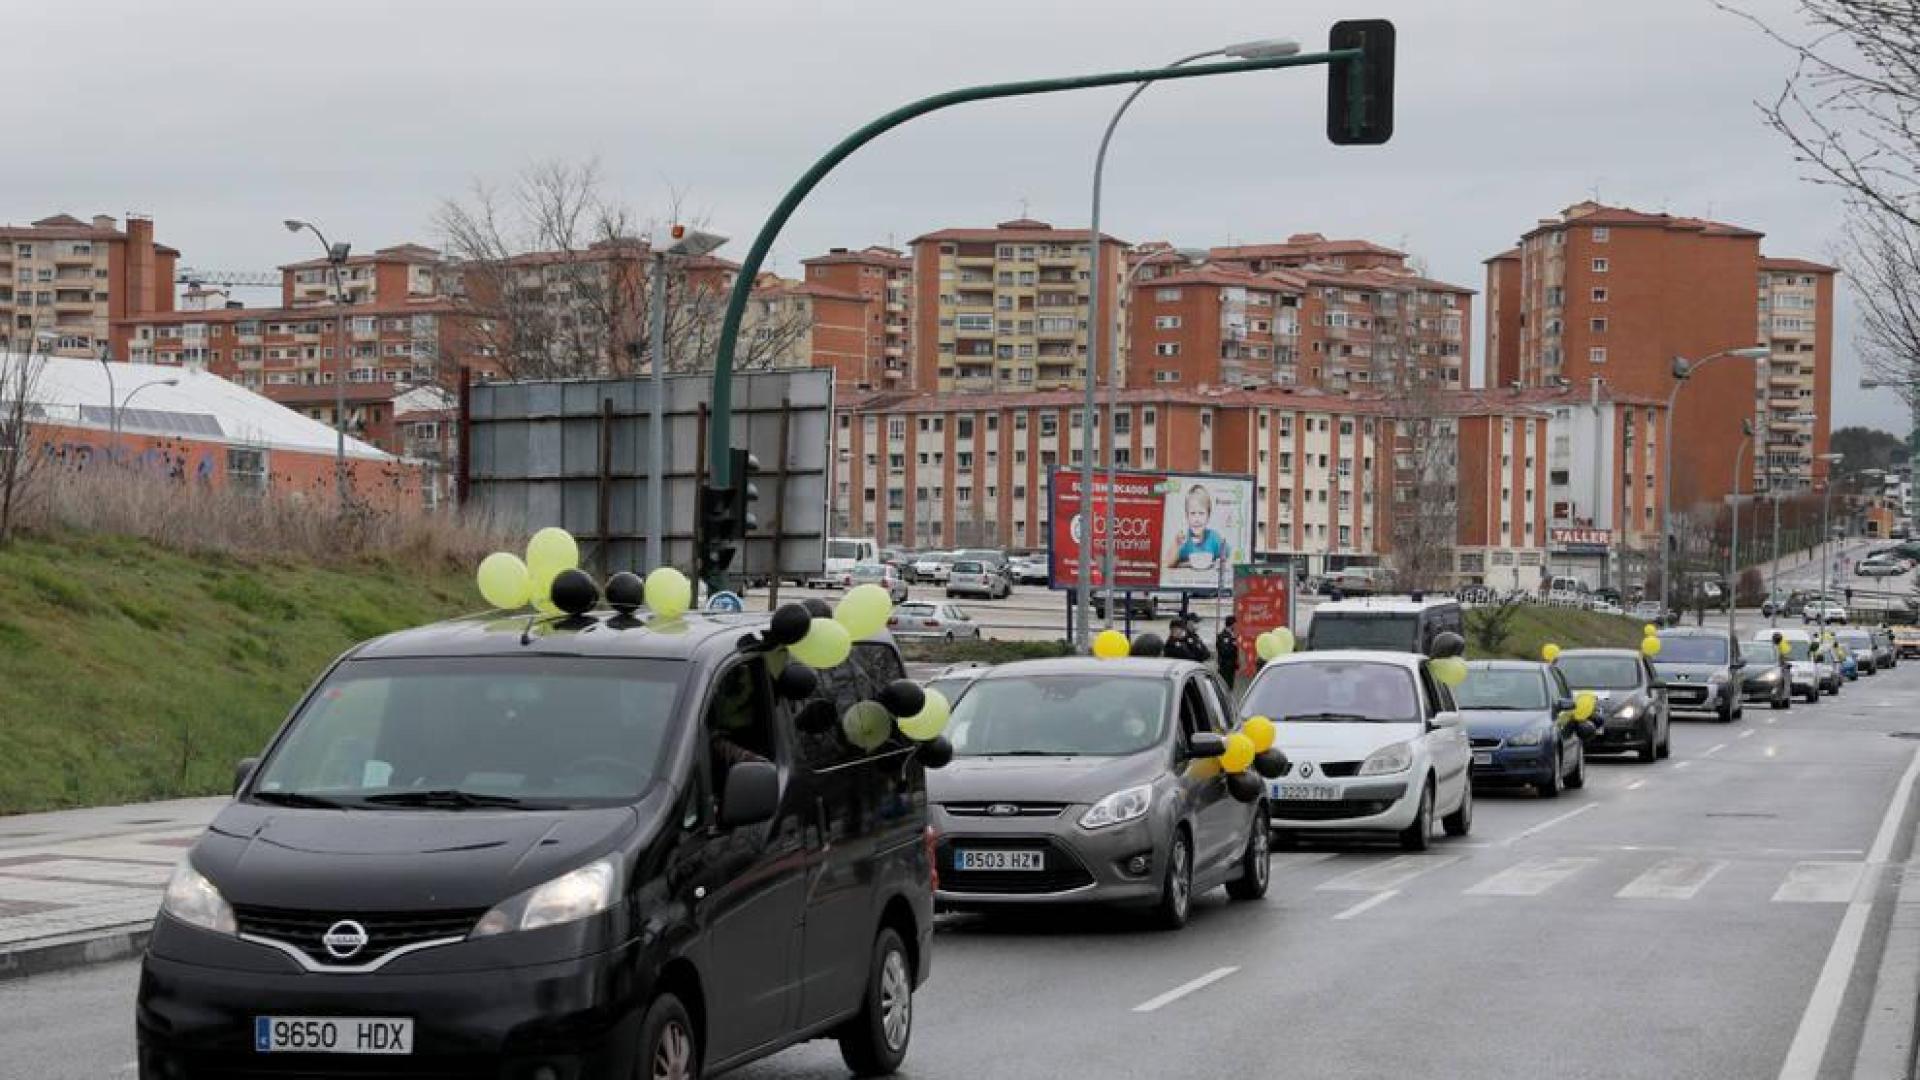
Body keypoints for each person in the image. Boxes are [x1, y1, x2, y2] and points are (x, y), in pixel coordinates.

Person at [1165, 483, 1229, 570]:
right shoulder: (1184, 539)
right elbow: (1169, 563)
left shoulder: (1213, 537)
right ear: (1187, 516)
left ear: (1208, 516)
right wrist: (1176, 544)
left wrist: (1220, 563)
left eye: (1201, 513)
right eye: (1193, 513)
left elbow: (1228, 556)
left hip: (1209, 581)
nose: (1197, 519)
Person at [1215, 616, 1242, 691]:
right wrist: (1233, 644)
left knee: (1229, 687)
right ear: (1232, 624)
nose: (1236, 626)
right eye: (1235, 624)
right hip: (1225, 666)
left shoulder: (1231, 635)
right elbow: (1224, 651)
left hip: (1231, 667)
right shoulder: (1223, 636)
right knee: (1223, 687)